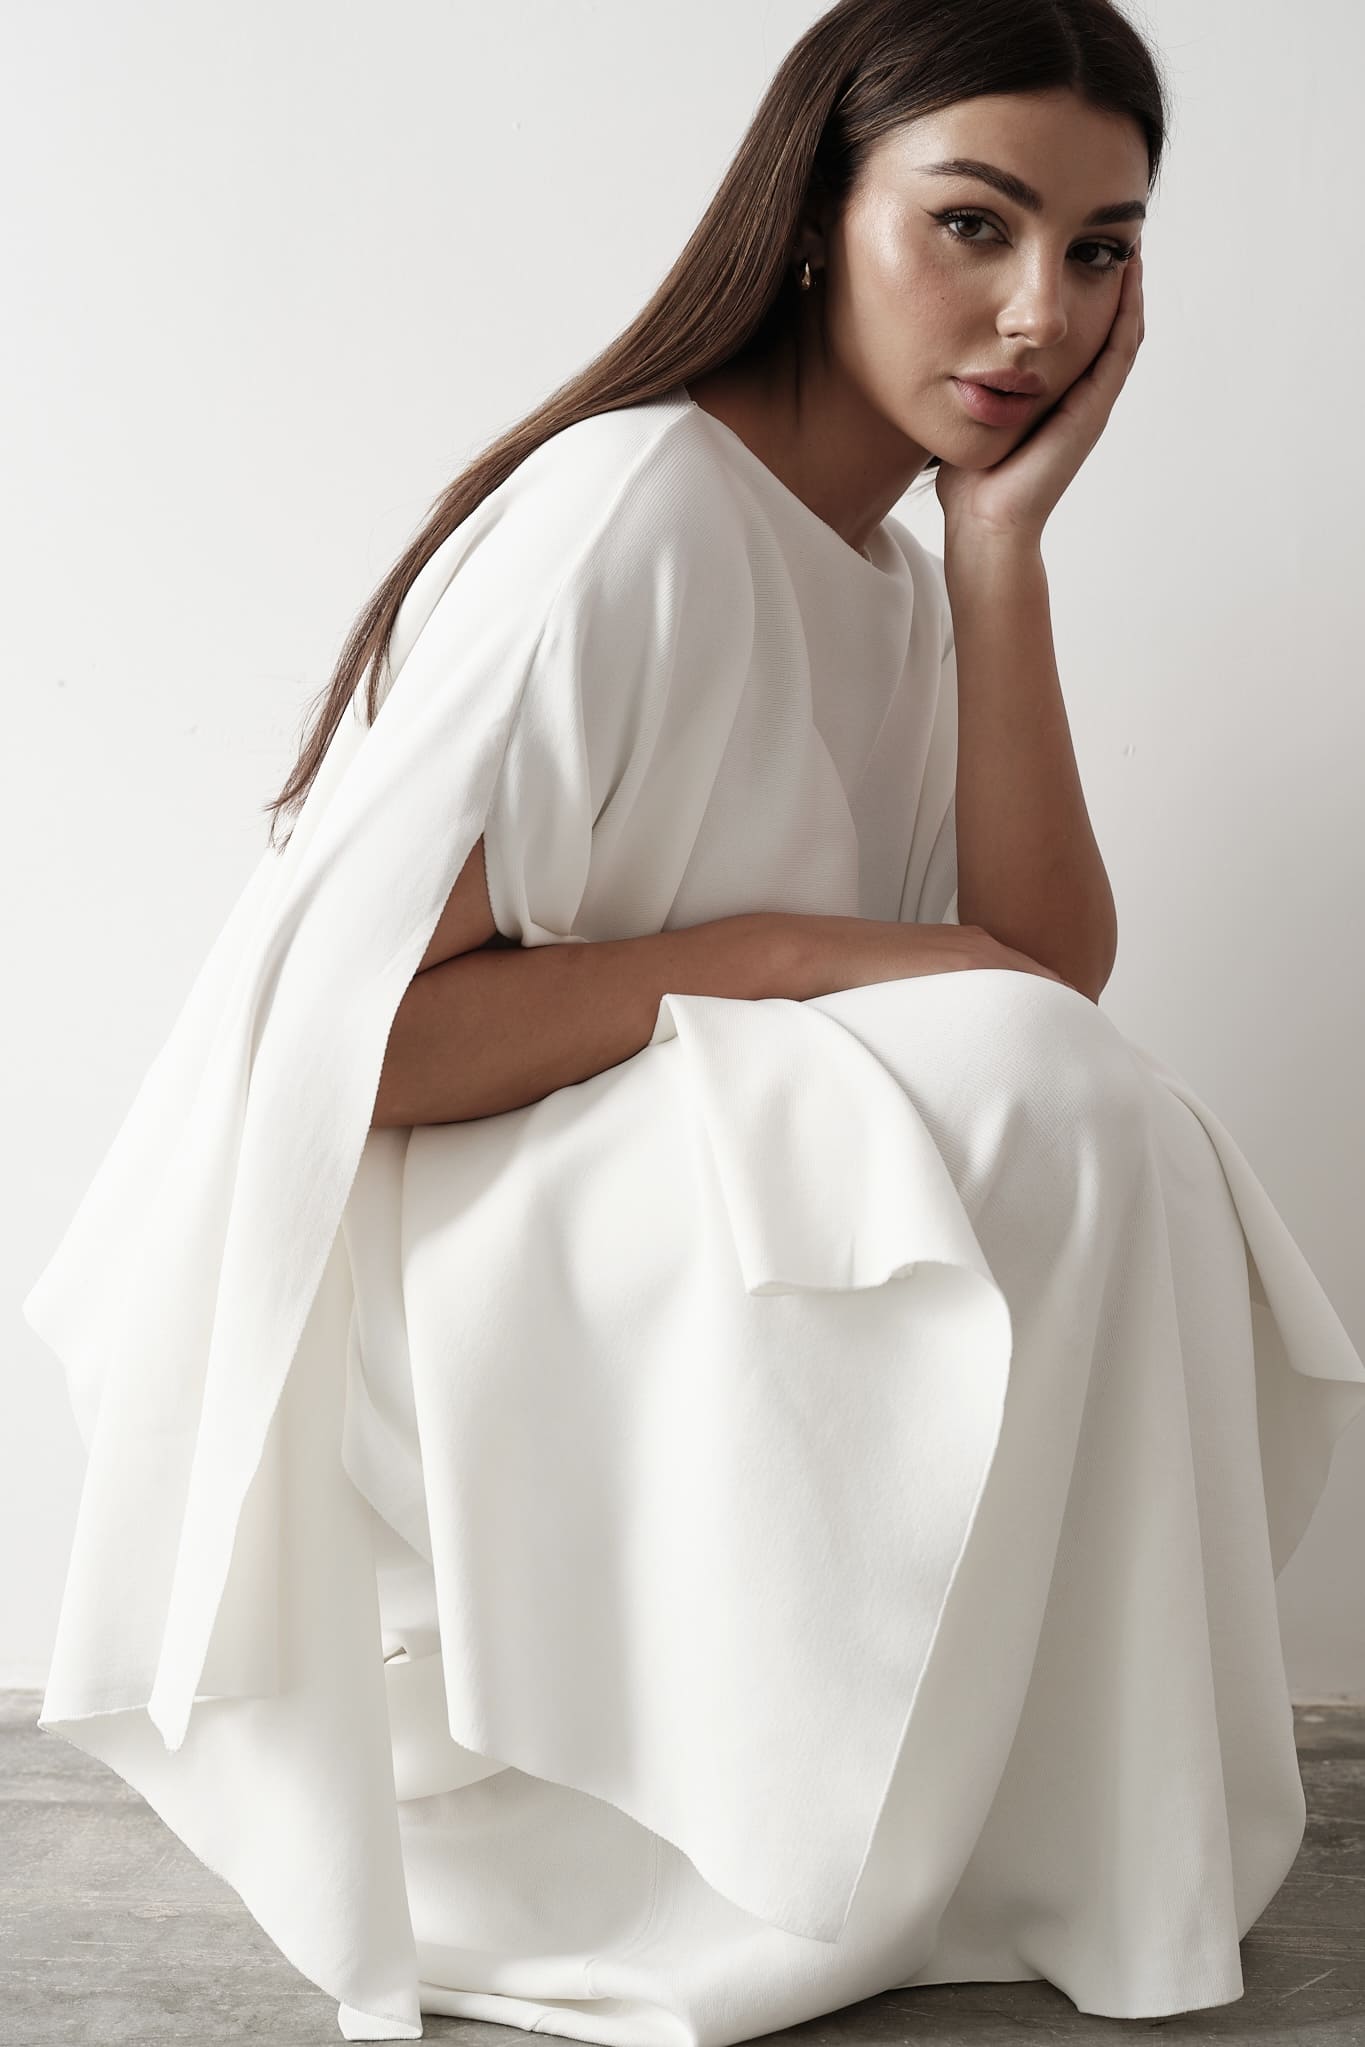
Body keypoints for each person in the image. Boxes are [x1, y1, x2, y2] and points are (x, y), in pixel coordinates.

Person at [23, 2, 1365, 2042]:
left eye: (1097, 249)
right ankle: (745, 1853)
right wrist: (776, 954)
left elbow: (1029, 965)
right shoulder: (637, 499)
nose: (1035, 311)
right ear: (819, 218)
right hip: (433, 1245)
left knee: (1090, 1113)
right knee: (1043, 1099)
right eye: (972, 224)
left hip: (650, 1212)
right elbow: (360, 1059)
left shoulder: (895, 581)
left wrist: (995, 551)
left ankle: (1001, 1835)